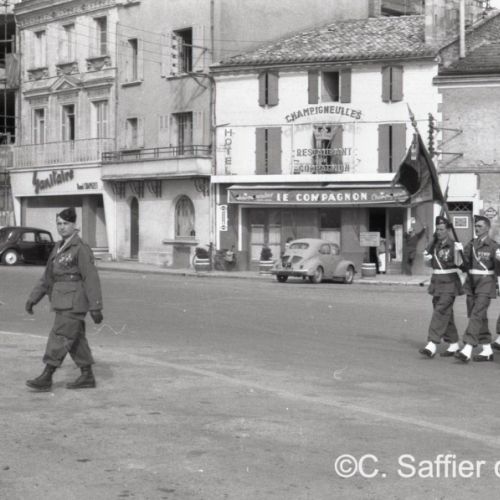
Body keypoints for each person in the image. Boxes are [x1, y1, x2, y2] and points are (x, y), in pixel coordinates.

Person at [25, 207, 104, 390]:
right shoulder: (58, 247)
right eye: (59, 224)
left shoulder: (80, 248)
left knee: (60, 335)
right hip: (61, 301)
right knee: (75, 339)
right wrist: (33, 298)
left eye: (66, 223)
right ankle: (87, 376)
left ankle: (47, 376)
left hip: (74, 302)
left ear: (74, 225)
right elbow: (47, 277)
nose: (61, 227)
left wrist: (96, 306)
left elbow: (90, 278)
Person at [455, 215, 500, 363]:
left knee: (476, 314)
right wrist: (459, 252)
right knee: (478, 316)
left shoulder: (494, 246)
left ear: (487, 228)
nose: (476, 228)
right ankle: (487, 349)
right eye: (476, 226)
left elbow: (498, 270)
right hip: (471, 283)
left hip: (486, 283)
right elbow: (463, 265)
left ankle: (468, 347)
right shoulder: (471, 244)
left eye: (480, 226)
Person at [419, 216, 463, 358]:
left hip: (450, 282)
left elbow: (460, 265)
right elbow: (431, 265)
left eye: (442, 229)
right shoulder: (434, 245)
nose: (439, 232)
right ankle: (453, 343)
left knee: (440, 311)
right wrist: (427, 260)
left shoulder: (453, 244)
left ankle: (432, 343)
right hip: (437, 282)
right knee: (446, 313)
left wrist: (459, 252)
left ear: (448, 230)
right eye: (437, 229)